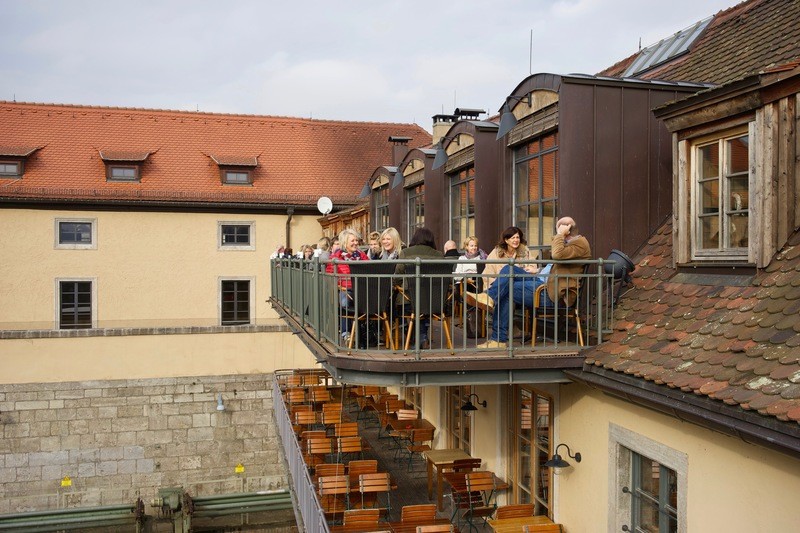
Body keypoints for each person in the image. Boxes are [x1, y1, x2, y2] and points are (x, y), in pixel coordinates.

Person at [466, 219, 591, 348]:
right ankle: (489, 297)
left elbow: (557, 254)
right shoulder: (570, 245)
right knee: (509, 269)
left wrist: (560, 235)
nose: (557, 234)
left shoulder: (580, 244)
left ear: (567, 230)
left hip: (551, 292)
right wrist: (538, 270)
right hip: (542, 282)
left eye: (559, 230)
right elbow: (555, 265)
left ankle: (498, 338)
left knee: (508, 289)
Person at [395, 227, 444, 348]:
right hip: (434, 300)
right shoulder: (439, 255)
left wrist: (397, 286)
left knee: (415, 306)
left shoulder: (406, 253)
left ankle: (419, 337)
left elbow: (398, 274)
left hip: (409, 299)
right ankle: (422, 337)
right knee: (423, 306)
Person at [325, 228, 370, 344]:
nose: (356, 243)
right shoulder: (336, 257)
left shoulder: (362, 255)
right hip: (347, 289)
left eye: (356, 240)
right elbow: (330, 275)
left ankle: (366, 332)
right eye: (352, 241)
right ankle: (347, 334)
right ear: (345, 242)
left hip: (363, 289)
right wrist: (339, 286)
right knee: (345, 302)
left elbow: (371, 268)